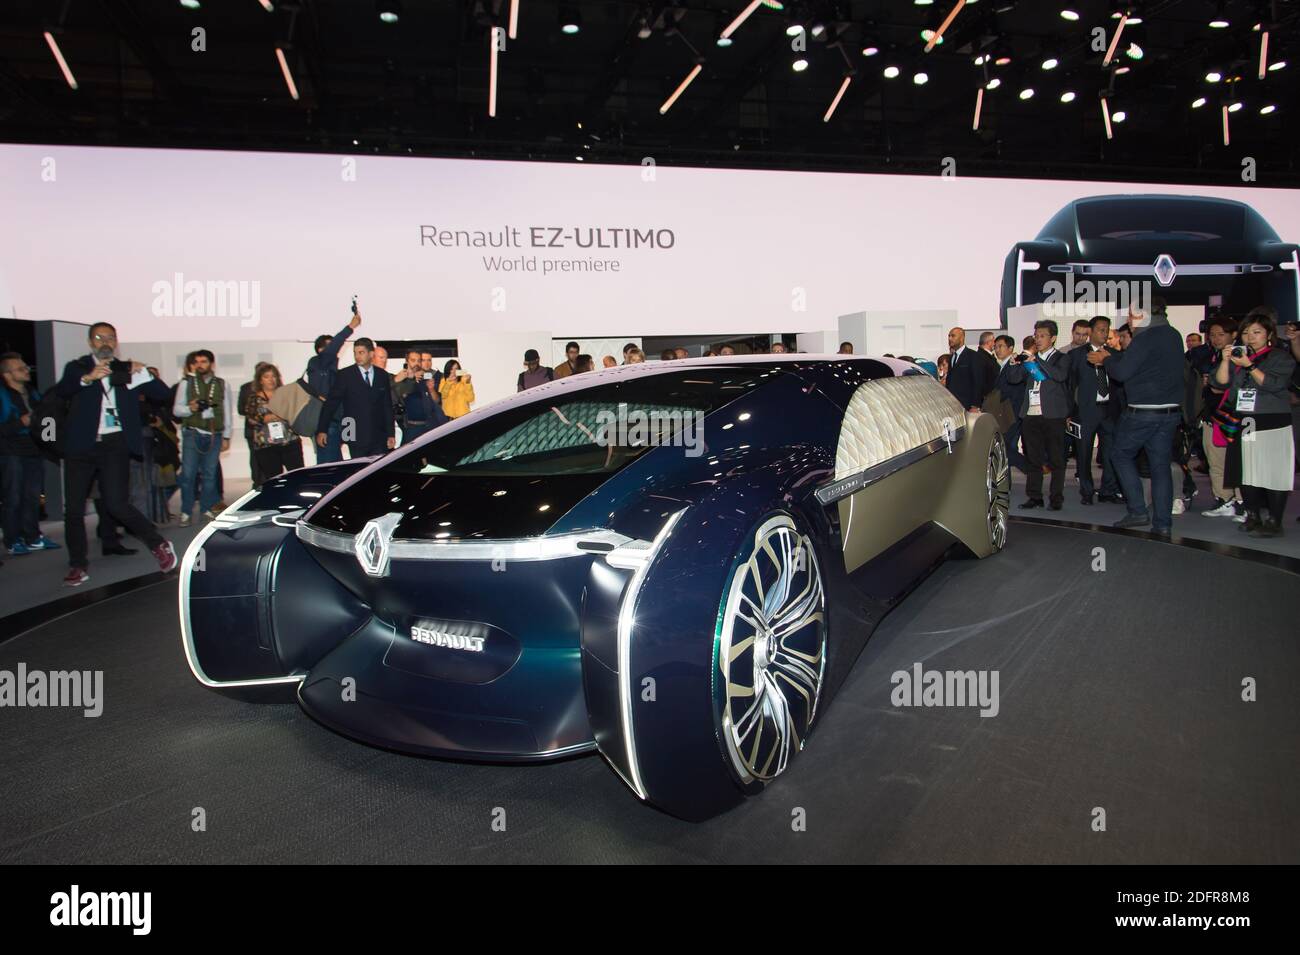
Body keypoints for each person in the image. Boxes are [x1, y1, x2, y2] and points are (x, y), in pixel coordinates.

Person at [55, 322, 178, 586]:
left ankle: (159, 545)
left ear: (116, 342)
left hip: (115, 444)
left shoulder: (126, 370)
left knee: (117, 504)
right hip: (81, 446)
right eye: (99, 338)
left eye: (110, 337)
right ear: (90, 342)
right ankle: (78, 565)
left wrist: (143, 373)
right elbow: (63, 389)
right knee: (73, 509)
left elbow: (163, 394)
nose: (105, 342)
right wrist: (88, 378)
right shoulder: (77, 367)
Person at [1091, 300, 1185, 537]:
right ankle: (1163, 523)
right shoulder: (1173, 334)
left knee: (1120, 455)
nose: (1129, 321)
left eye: (1132, 316)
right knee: (1160, 467)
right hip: (1170, 412)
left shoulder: (1145, 337)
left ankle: (1137, 510)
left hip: (1143, 411)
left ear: (1143, 315)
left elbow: (1122, 373)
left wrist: (1106, 359)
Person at [1212, 310, 1296, 537]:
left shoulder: (1280, 357)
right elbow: (1220, 382)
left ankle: (1274, 521)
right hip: (1245, 420)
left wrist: (1249, 365)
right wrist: (1225, 360)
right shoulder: (1240, 356)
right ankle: (1253, 515)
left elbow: (1273, 384)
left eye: (1257, 332)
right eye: (1247, 333)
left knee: (1273, 472)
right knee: (1247, 471)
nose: (1251, 337)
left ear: (1269, 334)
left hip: (1272, 420)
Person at [1006, 320, 1071, 510]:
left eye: (1042, 336)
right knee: (1033, 458)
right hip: (1031, 414)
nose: (1038, 339)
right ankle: (1034, 496)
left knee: (1056, 458)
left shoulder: (1061, 358)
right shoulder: (1029, 359)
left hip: (1053, 415)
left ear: (1053, 338)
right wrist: (1013, 364)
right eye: (1036, 335)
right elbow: (1014, 379)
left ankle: (1056, 498)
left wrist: (1037, 360)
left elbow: (1059, 376)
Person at [0, 353, 60, 555]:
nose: (27, 371)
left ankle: (33, 537)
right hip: (10, 452)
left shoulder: (32, 393)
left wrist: (50, 441)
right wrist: (21, 423)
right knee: (13, 498)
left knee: (32, 497)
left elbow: (47, 420)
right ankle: (12, 540)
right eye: (20, 368)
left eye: (25, 367)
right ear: (7, 374)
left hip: (34, 451)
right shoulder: (2, 395)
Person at [172, 350, 233, 527]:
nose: (200, 365)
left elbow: (227, 411)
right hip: (192, 432)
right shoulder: (186, 383)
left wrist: (227, 436)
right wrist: (190, 408)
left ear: (211, 364)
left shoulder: (222, 384)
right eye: (197, 362)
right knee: (188, 474)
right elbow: (176, 410)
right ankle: (185, 511)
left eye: (204, 361)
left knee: (210, 474)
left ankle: (207, 508)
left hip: (215, 434)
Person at [1069, 316, 1122, 504]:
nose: (1105, 333)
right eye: (1101, 329)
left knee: (1111, 453)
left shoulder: (1114, 355)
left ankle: (1108, 490)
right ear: (1091, 331)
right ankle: (1087, 492)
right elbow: (1069, 386)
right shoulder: (1076, 355)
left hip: (1109, 410)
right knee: (1083, 454)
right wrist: (1070, 413)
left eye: (1107, 330)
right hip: (1085, 411)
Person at [1195, 318, 1243, 518]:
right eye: (1212, 335)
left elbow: (1223, 385)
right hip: (1212, 416)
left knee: (1237, 462)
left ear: (1233, 335)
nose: (1215, 339)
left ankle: (1242, 502)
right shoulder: (1210, 356)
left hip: (1233, 418)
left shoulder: (1241, 358)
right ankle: (1224, 499)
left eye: (1220, 334)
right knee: (1215, 461)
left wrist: (1213, 383)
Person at [316, 337, 395, 458]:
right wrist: (322, 429)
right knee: (359, 471)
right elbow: (331, 404)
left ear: (371, 354)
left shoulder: (382, 375)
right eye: (355, 353)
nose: (357, 356)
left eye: (361, 352)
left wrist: (391, 434)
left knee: (378, 471)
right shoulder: (345, 375)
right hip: (355, 436)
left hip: (379, 436)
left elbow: (387, 406)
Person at [304, 309, 361, 463]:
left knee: (338, 465)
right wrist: (351, 327)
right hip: (326, 425)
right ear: (321, 350)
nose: (336, 351)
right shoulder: (317, 363)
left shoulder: (333, 372)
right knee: (328, 467)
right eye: (331, 347)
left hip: (338, 424)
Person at [243, 364, 304, 485]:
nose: (271, 380)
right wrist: (276, 415)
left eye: (274, 376)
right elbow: (253, 418)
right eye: (267, 377)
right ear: (260, 380)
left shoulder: (286, 394)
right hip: (266, 446)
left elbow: (295, 413)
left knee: (299, 477)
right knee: (274, 480)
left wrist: (274, 416)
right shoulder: (254, 398)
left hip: (289, 442)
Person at [990, 335, 1027, 473]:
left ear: (1010, 348)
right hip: (1005, 412)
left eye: (1001, 346)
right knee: (1005, 446)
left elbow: (1012, 388)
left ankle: (1029, 467)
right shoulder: (1002, 365)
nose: (997, 350)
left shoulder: (1015, 364)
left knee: (1003, 445)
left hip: (1013, 411)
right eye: (996, 347)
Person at [943, 327, 997, 412]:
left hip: (968, 405)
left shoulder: (973, 356)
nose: (950, 339)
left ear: (962, 337)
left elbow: (978, 381)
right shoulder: (952, 357)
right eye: (949, 336)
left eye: (953, 336)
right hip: (953, 405)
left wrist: (975, 405)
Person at [237, 361, 270, 486]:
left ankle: (263, 482)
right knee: (256, 458)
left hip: (271, 431)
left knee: (265, 458)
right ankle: (258, 483)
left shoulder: (276, 389)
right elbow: (241, 410)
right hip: (253, 430)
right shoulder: (246, 388)